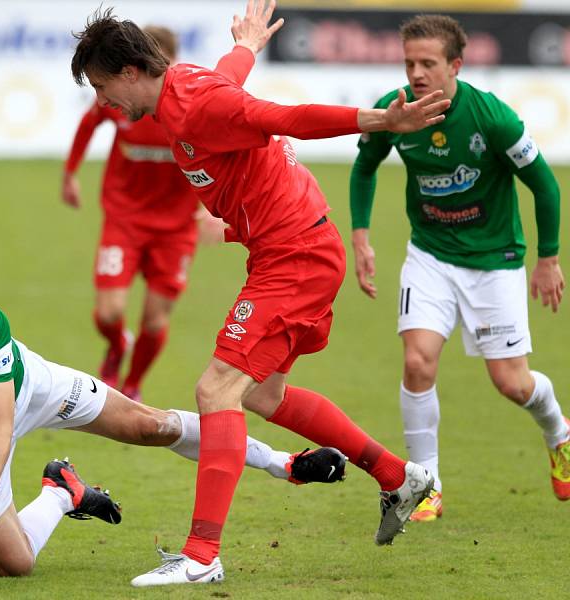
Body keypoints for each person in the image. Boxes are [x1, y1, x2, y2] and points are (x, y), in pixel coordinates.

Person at [71, 0, 450, 586]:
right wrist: (248, 43)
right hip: (287, 251)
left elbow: (288, 116)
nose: (102, 102)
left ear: (129, 71)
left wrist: (379, 122)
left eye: (101, 86)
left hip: (294, 255)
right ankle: (399, 476)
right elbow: (230, 75)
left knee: (216, 388)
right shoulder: (183, 90)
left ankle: (201, 556)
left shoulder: (197, 102)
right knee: (264, 395)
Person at [0, 255, 346, 592]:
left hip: (25, 388)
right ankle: (62, 491)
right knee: (16, 565)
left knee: (151, 426)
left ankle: (282, 462)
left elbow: (1, 428)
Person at [349, 13, 568, 523]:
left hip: (494, 262)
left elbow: (546, 185)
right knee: (418, 361)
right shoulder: (395, 111)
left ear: (456, 66)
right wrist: (360, 236)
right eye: (409, 63)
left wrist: (549, 258)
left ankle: (559, 432)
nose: (416, 73)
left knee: (512, 384)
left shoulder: (493, 118)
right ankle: (425, 485)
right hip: (429, 255)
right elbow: (363, 166)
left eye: (428, 63)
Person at [62, 26, 226, 403]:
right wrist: (70, 173)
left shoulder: (185, 107)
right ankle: (118, 343)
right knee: (109, 312)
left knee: (155, 319)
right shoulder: (121, 102)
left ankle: (132, 384)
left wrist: (214, 208)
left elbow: (221, 152)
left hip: (176, 228)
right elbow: (89, 123)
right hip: (125, 218)